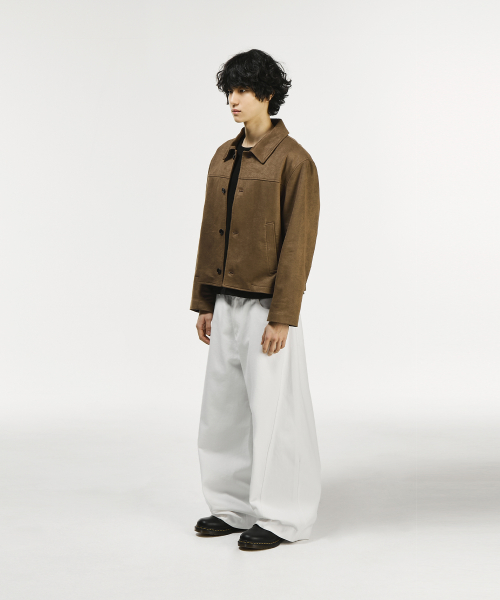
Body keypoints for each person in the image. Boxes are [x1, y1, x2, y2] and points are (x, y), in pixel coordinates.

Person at [189, 49, 321, 550]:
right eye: (230, 90)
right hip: (224, 302)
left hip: (267, 307)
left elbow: (298, 244)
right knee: (222, 412)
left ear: (267, 94)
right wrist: (205, 300)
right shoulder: (223, 155)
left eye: (243, 90)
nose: (233, 100)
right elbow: (210, 232)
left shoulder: (295, 161)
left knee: (276, 414)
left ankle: (285, 516)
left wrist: (283, 316)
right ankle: (231, 506)